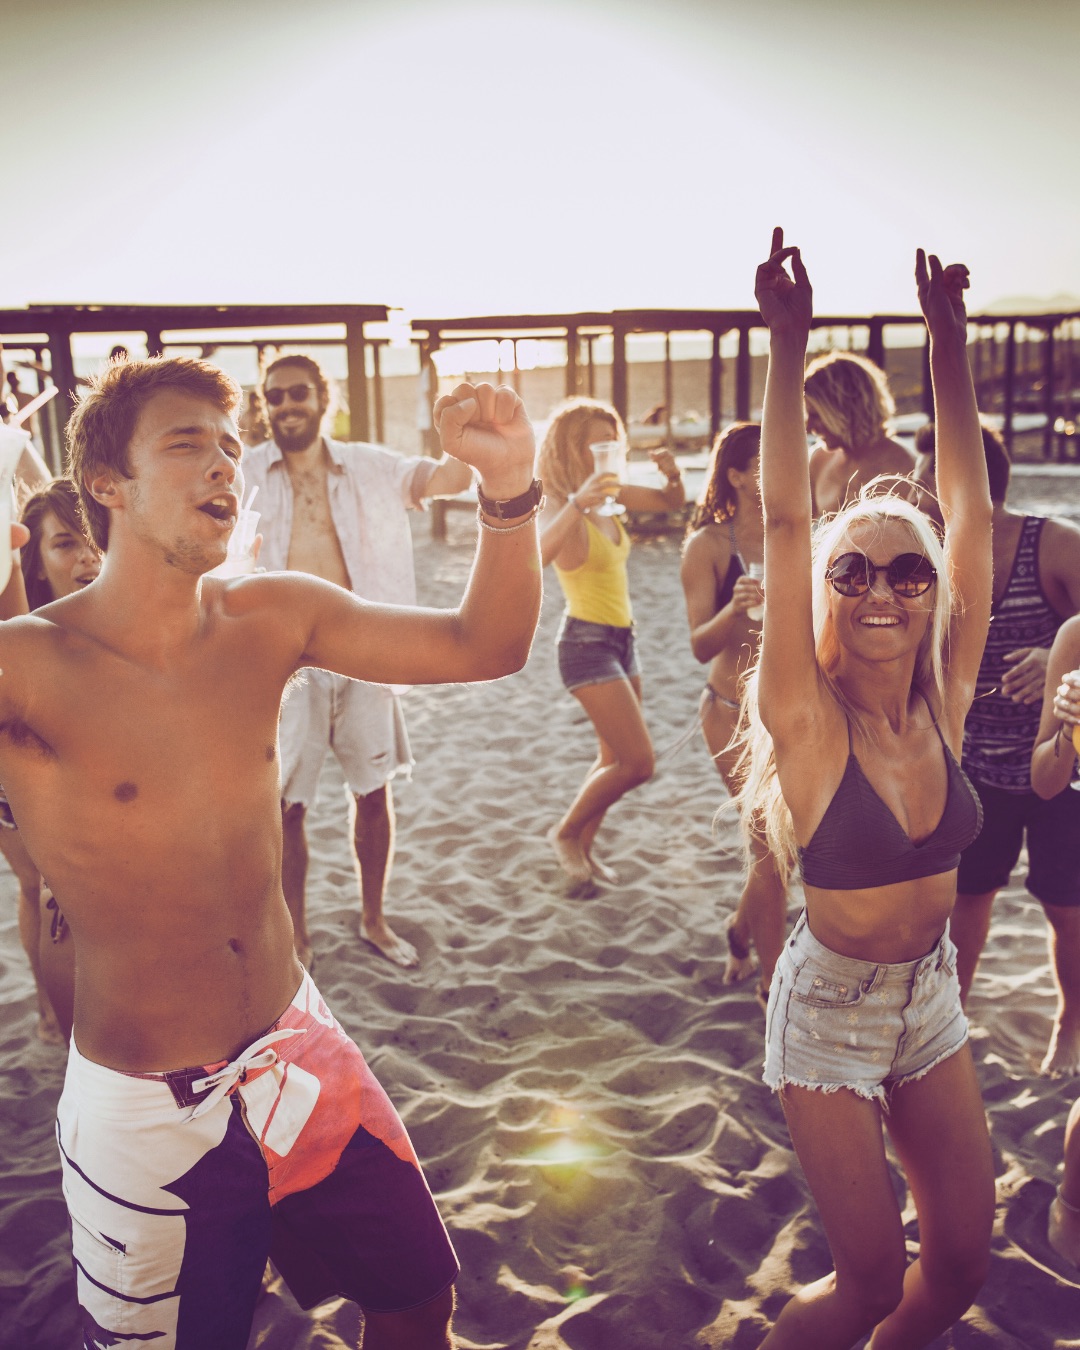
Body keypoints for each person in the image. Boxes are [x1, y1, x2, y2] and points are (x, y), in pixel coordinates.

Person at [1, 356, 541, 1349]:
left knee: (419, 1301)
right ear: (108, 488)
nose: (226, 466)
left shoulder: (269, 615)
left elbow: (485, 645)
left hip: (298, 1050)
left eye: (229, 446)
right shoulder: (30, 664)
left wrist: (509, 492)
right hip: (144, 1118)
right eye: (188, 444)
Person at [741, 230, 994, 1348]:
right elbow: (788, 516)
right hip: (829, 1018)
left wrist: (949, 342)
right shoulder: (806, 714)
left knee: (959, 1273)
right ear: (826, 595)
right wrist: (786, 345)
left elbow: (970, 509)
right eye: (856, 571)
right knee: (869, 1285)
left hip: (930, 1000)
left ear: (935, 594)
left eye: (908, 571)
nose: (883, 588)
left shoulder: (947, 695)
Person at [243, 354, 475, 970]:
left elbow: (448, 481)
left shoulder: (372, 465)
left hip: (364, 651)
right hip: (282, 663)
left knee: (372, 792)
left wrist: (461, 436)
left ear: (325, 397)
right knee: (286, 804)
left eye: (297, 393)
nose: (286, 406)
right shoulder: (242, 472)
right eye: (274, 397)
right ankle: (295, 935)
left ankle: (373, 918)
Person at [920, 422, 1080, 1078]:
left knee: (1067, 909)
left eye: (934, 480)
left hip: (1059, 764)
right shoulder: (929, 558)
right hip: (974, 766)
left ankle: (1071, 1025)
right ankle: (952, 1019)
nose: (924, 494)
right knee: (969, 902)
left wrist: (1054, 657)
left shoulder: (1055, 545)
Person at [537, 397, 684, 889]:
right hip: (585, 644)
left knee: (611, 760)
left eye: (613, 441)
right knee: (637, 763)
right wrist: (577, 500)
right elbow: (534, 557)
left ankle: (584, 849)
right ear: (572, 450)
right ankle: (566, 833)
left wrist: (672, 472)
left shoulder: (611, 497)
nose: (608, 450)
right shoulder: (561, 505)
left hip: (625, 640)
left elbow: (671, 502)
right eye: (597, 443)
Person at [679, 422, 787, 1002]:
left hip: (791, 711)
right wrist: (736, 610)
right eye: (768, 461)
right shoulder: (710, 547)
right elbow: (699, 644)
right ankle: (773, 986)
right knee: (770, 847)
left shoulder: (798, 533)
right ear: (738, 475)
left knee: (785, 847)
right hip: (729, 712)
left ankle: (740, 930)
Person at [0, 480, 99, 1044]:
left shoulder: (116, 625)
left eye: (92, 538)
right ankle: (48, 1007)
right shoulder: (22, 632)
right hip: (16, 772)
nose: (88, 554)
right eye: (65, 544)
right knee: (37, 881)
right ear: (35, 566)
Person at [805, 349, 916, 517]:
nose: (809, 427)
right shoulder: (818, 460)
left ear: (844, 410)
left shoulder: (905, 469)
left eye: (816, 416)